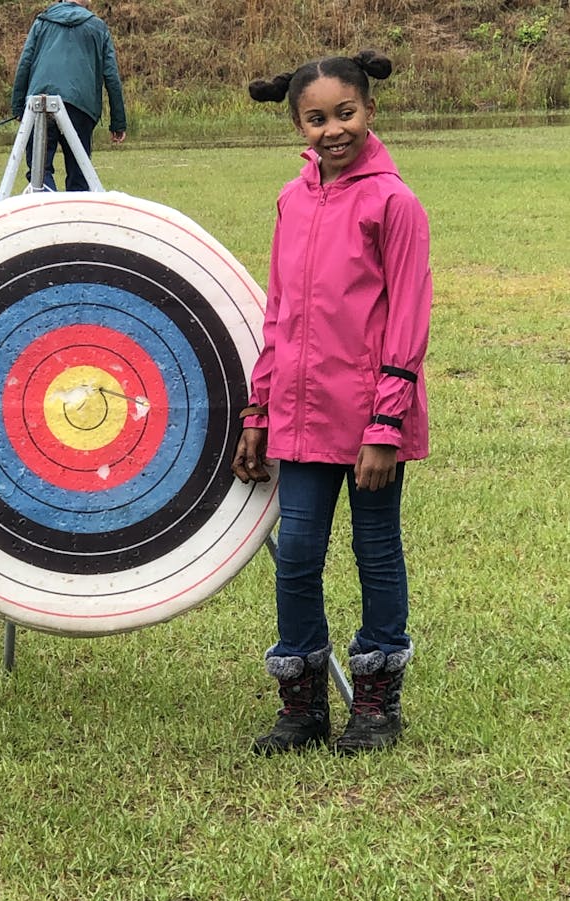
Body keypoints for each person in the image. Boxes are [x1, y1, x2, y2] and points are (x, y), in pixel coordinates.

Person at [232, 50, 432, 756]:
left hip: (370, 419)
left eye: (345, 114)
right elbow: (279, 313)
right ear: (298, 124)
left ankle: (376, 704)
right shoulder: (292, 199)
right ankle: (303, 708)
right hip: (299, 415)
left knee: (375, 549)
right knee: (296, 559)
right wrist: (259, 412)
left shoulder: (394, 203)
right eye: (316, 119)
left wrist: (386, 421)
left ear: (369, 111)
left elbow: (408, 317)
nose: (332, 130)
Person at [11, 0, 127, 191]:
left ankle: (47, 210)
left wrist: (18, 107)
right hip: (80, 107)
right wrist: (118, 122)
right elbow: (111, 77)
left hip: (41, 102)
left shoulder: (42, 22)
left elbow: (25, 64)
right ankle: (77, 216)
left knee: (40, 172)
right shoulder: (98, 27)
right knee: (79, 173)